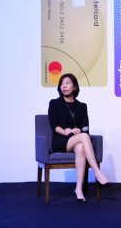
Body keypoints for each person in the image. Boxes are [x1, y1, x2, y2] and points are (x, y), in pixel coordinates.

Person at [48, 73, 109, 204]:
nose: (64, 86)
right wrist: (66, 131)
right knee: (84, 137)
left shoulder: (82, 106)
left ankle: (78, 189)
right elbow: (54, 126)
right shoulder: (54, 103)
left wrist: (79, 131)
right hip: (61, 140)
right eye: (61, 84)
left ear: (74, 87)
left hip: (77, 140)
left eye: (67, 83)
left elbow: (86, 127)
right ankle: (97, 172)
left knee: (81, 148)